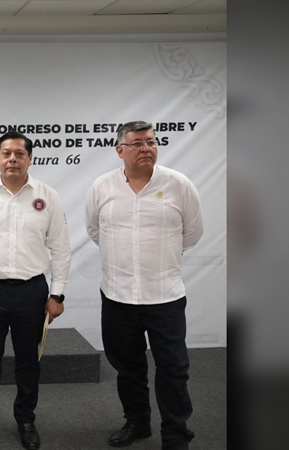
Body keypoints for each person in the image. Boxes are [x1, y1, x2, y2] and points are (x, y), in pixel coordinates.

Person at [85, 121, 203, 450]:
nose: (146, 148)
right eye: (137, 143)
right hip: (117, 296)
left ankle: (176, 435)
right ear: (119, 150)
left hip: (164, 296)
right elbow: (95, 230)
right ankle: (137, 423)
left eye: (151, 142)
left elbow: (192, 233)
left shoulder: (179, 185)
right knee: (128, 368)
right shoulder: (102, 187)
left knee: (173, 370)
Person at [0, 130, 71, 450]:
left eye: (19, 154)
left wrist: (57, 294)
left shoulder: (47, 196)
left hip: (31, 292)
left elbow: (60, 248)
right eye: (6, 153)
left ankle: (26, 419)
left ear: (30, 158)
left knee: (28, 361)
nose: (12, 159)